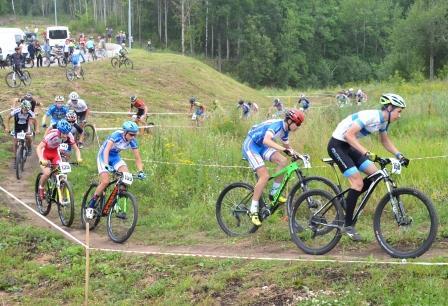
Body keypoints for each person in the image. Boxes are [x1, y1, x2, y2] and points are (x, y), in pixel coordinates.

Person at [327, 93, 409, 241]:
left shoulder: (383, 122)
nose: (399, 115)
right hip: (337, 145)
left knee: (376, 174)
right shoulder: (370, 116)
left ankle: (348, 200)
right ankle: (347, 224)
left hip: (349, 147)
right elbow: (349, 135)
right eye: (399, 111)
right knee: (357, 183)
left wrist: (399, 155)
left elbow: (385, 141)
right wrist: (366, 152)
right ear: (389, 108)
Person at [242, 109, 306, 225]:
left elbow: (288, 148)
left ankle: (274, 193)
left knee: (283, 160)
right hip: (251, 145)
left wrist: (298, 155)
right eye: (297, 123)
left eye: (300, 124)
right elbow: (267, 140)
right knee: (264, 176)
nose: (298, 126)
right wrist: (283, 149)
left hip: (261, 145)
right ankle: (253, 210)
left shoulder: (286, 131)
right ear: (290, 121)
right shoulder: (277, 125)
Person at [85, 121, 145, 219]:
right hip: (103, 156)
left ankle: (119, 206)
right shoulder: (116, 135)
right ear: (125, 132)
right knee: (105, 181)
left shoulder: (133, 141)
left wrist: (141, 171)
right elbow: (106, 150)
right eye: (131, 134)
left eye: (135, 135)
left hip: (115, 157)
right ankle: (91, 205)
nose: (133, 137)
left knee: (126, 176)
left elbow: (138, 158)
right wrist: (106, 165)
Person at [36, 120, 82, 200]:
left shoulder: (69, 135)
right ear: (59, 131)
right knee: (47, 173)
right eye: (63, 133)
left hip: (55, 153)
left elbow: (77, 149)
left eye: (67, 133)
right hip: (45, 152)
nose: (65, 135)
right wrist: (41, 159)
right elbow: (39, 148)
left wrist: (79, 158)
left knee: (61, 174)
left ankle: (60, 193)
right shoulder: (52, 135)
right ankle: (41, 187)